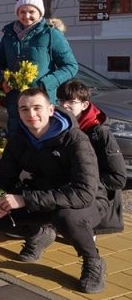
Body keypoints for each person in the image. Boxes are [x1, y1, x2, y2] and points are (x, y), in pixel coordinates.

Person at [0, 88, 109, 293]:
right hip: (43, 196)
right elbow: (3, 178)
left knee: (66, 217)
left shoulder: (75, 139)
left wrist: (25, 199)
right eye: (24, 109)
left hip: (87, 201)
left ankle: (93, 261)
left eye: (37, 108)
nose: (31, 114)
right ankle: (39, 233)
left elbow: (83, 193)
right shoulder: (20, 139)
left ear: (51, 110)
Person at [0, 0, 78, 132]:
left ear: (40, 13)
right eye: (22, 11)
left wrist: (45, 84)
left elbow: (71, 66)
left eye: (31, 11)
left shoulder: (51, 34)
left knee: (42, 142)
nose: (27, 16)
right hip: (16, 102)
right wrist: (3, 80)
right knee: (17, 144)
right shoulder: (8, 35)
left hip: (41, 101)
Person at [57, 80, 126, 234]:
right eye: (61, 100)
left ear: (84, 105)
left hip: (95, 197)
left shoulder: (99, 133)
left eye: (71, 101)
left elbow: (118, 177)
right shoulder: (60, 127)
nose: (64, 105)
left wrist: (84, 182)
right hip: (71, 190)